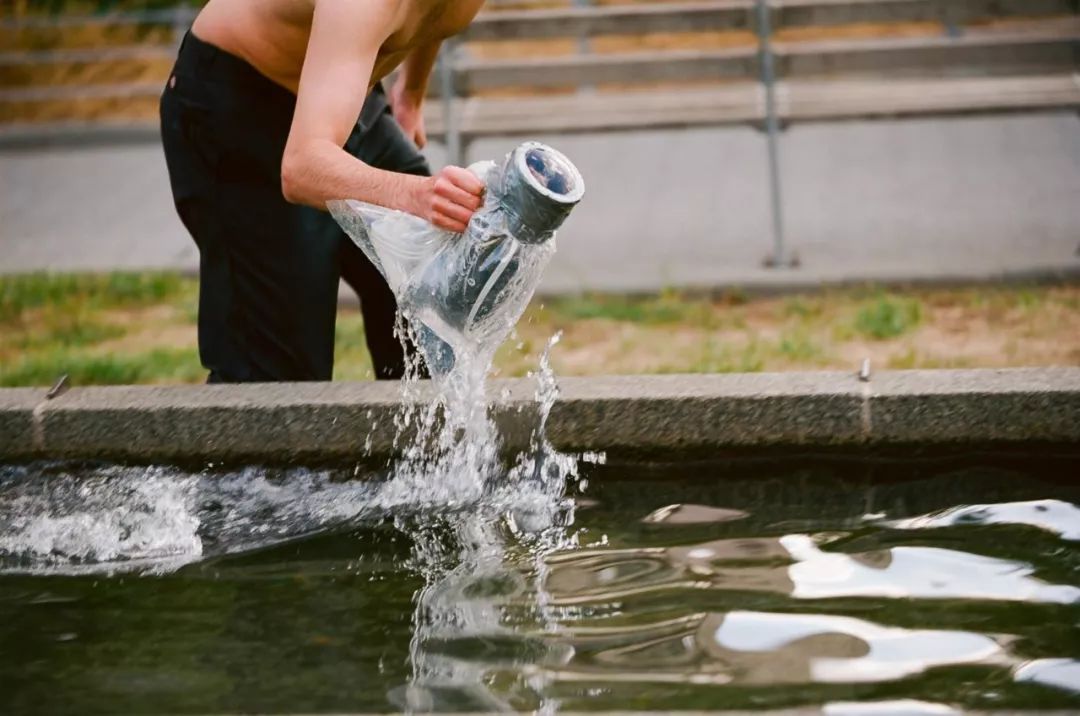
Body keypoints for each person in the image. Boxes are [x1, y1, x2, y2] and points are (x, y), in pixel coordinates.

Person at [160, 0, 487, 383]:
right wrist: (416, 195)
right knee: (280, 384)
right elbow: (302, 168)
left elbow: (434, 19)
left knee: (434, 307)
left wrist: (411, 94)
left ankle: (411, 441)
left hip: (341, 94)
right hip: (240, 100)